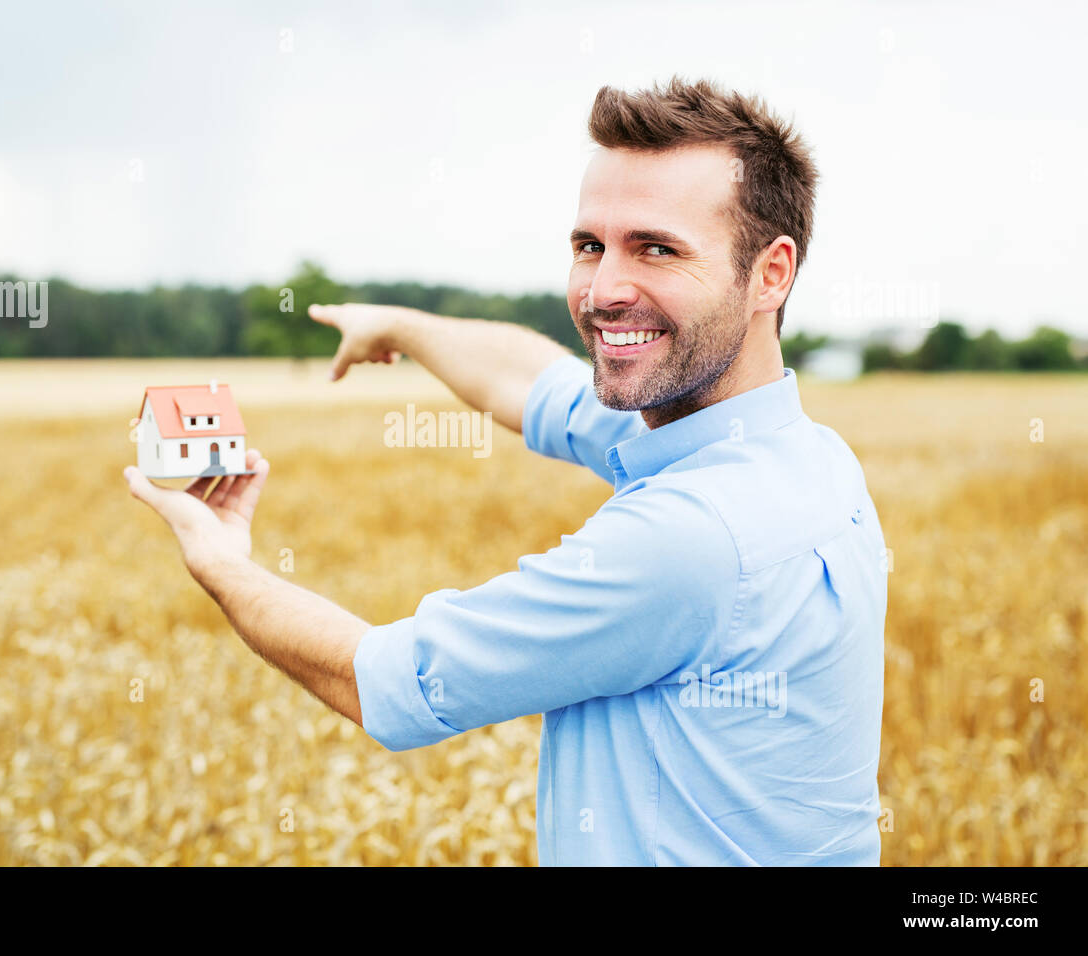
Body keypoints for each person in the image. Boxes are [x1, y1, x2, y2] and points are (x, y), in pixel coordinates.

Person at [124, 76, 887, 866]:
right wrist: (397, 325)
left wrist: (219, 559)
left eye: (656, 248)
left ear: (771, 273)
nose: (602, 291)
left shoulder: (688, 540)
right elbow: (532, 384)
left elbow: (385, 681)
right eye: (590, 246)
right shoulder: (809, 459)